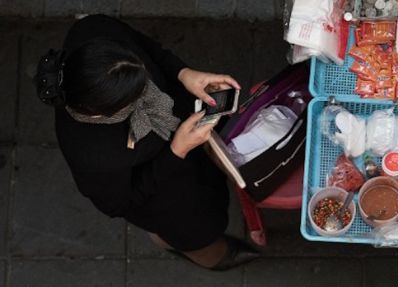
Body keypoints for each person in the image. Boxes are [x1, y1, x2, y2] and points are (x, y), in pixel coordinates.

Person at [35, 15, 258, 270]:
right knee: (199, 228)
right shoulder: (91, 154)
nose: (155, 95)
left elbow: (149, 47)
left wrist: (184, 74)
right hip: (162, 184)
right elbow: (121, 203)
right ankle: (198, 251)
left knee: (214, 179)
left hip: (183, 136)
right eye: (139, 96)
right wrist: (177, 151)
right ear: (100, 113)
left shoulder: (93, 29)